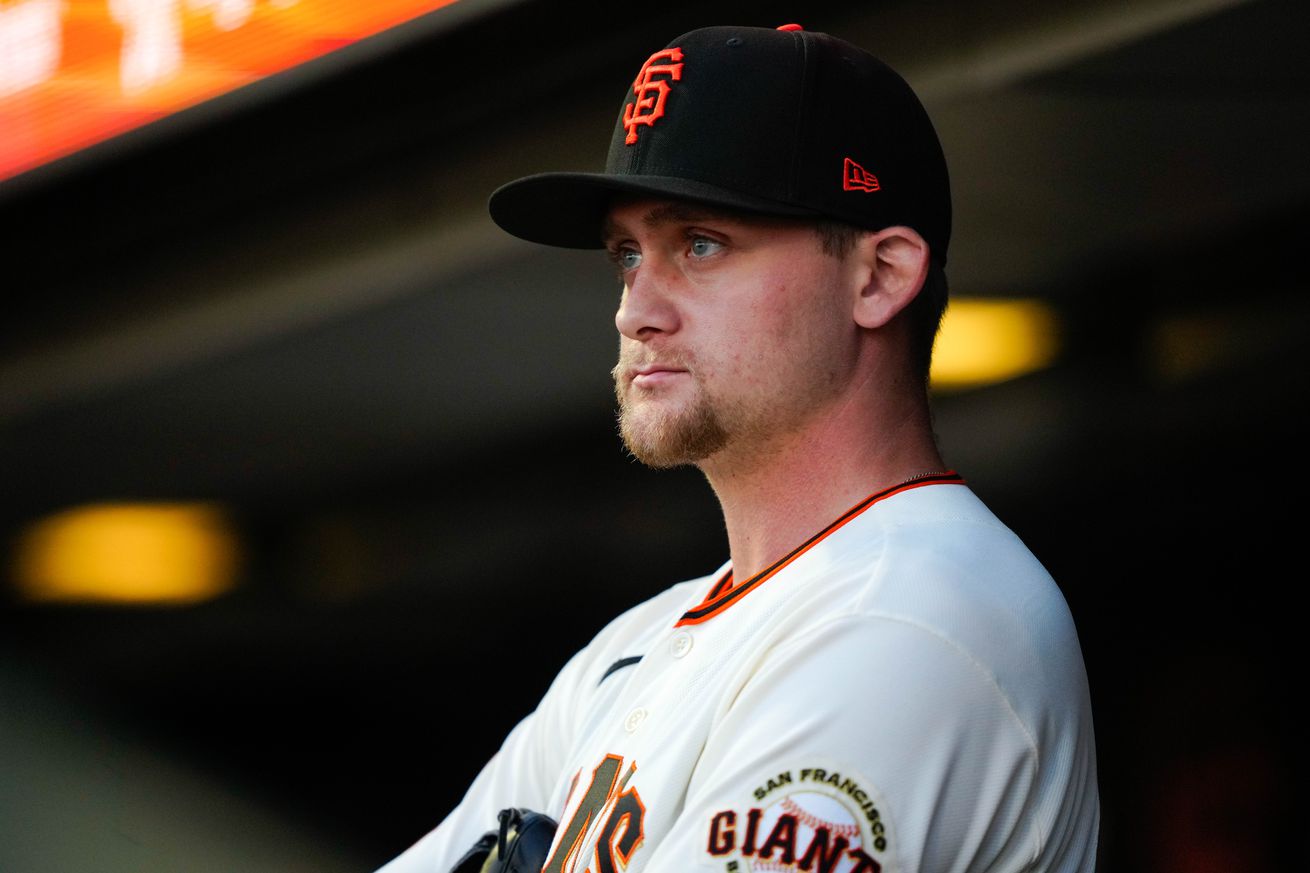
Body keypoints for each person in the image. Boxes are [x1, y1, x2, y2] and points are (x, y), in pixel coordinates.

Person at [378, 22, 1099, 873]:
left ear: (879, 277)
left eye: (701, 244)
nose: (635, 309)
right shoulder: (631, 650)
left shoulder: (914, 614)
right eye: (627, 254)